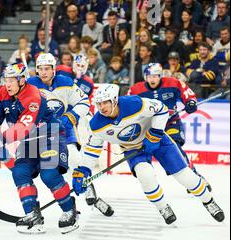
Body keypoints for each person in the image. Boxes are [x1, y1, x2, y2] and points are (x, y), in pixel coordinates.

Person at [73, 84, 225, 224]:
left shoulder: (134, 103)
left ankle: (208, 201)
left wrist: (155, 133)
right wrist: (83, 171)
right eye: (98, 104)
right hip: (133, 148)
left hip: (157, 140)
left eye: (105, 102)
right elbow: (92, 150)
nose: (102, 107)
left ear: (114, 100)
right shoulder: (96, 125)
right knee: (145, 176)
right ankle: (162, 207)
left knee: (185, 177)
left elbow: (161, 108)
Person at [0, 63, 79, 234]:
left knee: (49, 174)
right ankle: (32, 214)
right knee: (19, 172)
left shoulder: (33, 95)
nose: (7, 84)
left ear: (22, 80)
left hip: (49, 136)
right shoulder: (2, 94)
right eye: (5, 80)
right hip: (29, 142)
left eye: (11, 80)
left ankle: (69, 209)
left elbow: (22, 128)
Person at [28, 53, 114, 217]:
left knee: (75, 162)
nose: (43, 72)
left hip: (64, 131)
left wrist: (70, 116)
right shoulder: (31, 84)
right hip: (40, 134)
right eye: (40, 69)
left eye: (47, 69)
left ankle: (91, 195)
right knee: (47, 172)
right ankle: (64, 203)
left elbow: (83, 102)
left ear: (54, 69)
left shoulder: (65, 82)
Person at [128, 63, 212, 192]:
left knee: (175, 147)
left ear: (160, 76)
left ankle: (195, 176)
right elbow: (127, 107)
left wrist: (190, 102)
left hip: (171, 123)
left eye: (155, 76)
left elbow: (187, 93)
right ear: (145, 77)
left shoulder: (173, 83)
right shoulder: (136, 90)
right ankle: (149, 181)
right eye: (149, 76)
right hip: (150, 129)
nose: (152, 79)